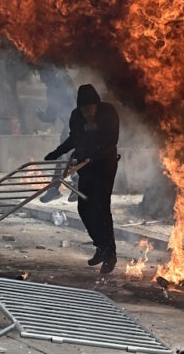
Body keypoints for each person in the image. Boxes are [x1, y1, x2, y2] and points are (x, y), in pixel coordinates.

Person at [43, 84, 119, 273]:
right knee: (84, 207)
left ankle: (110, 253)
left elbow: (111, 140)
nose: (87, 113)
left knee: (101, 207)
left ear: (96, 105)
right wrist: (56, 152)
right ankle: (100, 245)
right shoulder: (76, 116)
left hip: (105, 165)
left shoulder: (108, 113)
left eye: (89, 108)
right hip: (86, 167)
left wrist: (94, 153)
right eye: (83, 109)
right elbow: (73, 139)